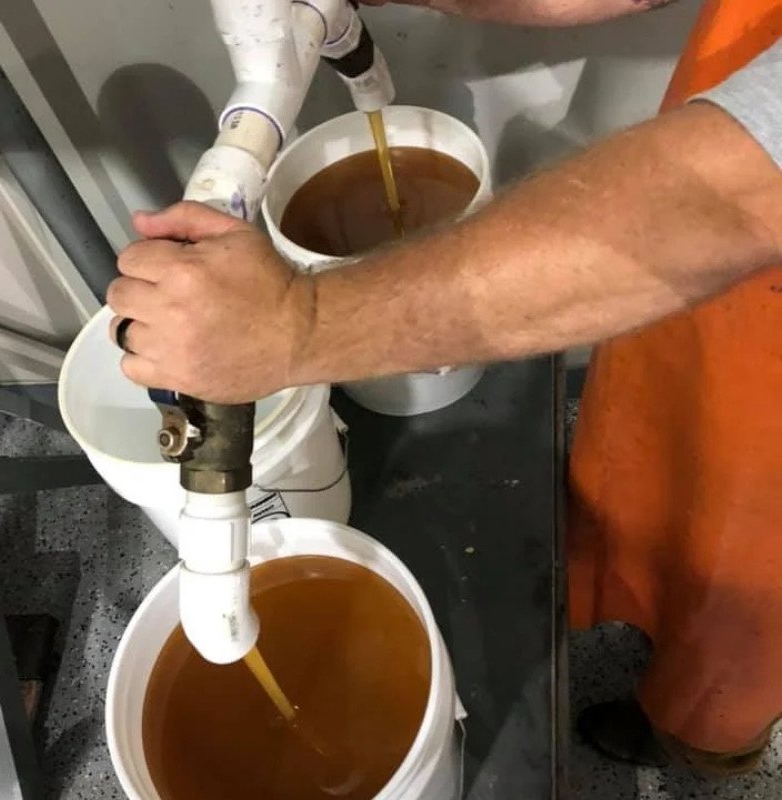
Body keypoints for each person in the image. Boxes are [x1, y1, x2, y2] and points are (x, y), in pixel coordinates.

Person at [107, 0, 782, 779]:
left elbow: (737, 195)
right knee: (653, 491)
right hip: (694, 305)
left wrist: (304, 322)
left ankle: (703, 742)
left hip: (743, 291)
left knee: (744, 596)